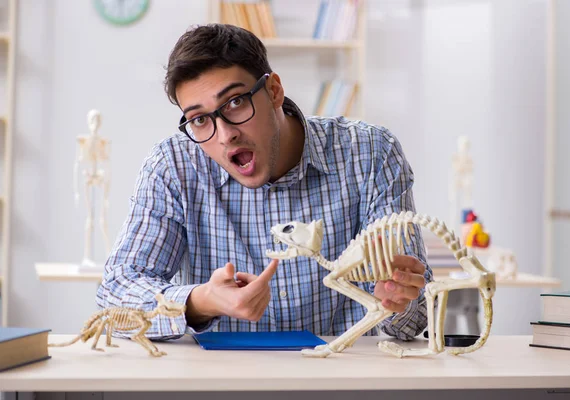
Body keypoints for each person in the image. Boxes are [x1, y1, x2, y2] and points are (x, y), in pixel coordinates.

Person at [96, 23, 433, 341]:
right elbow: (115, 295)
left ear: (273, 91)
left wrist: (396, 299)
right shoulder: (173, 166)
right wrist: (200, 301)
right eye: (199, 119)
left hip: (342, 382)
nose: (225, 135)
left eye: (236, 102)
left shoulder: (371, 153)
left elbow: (415, 320)